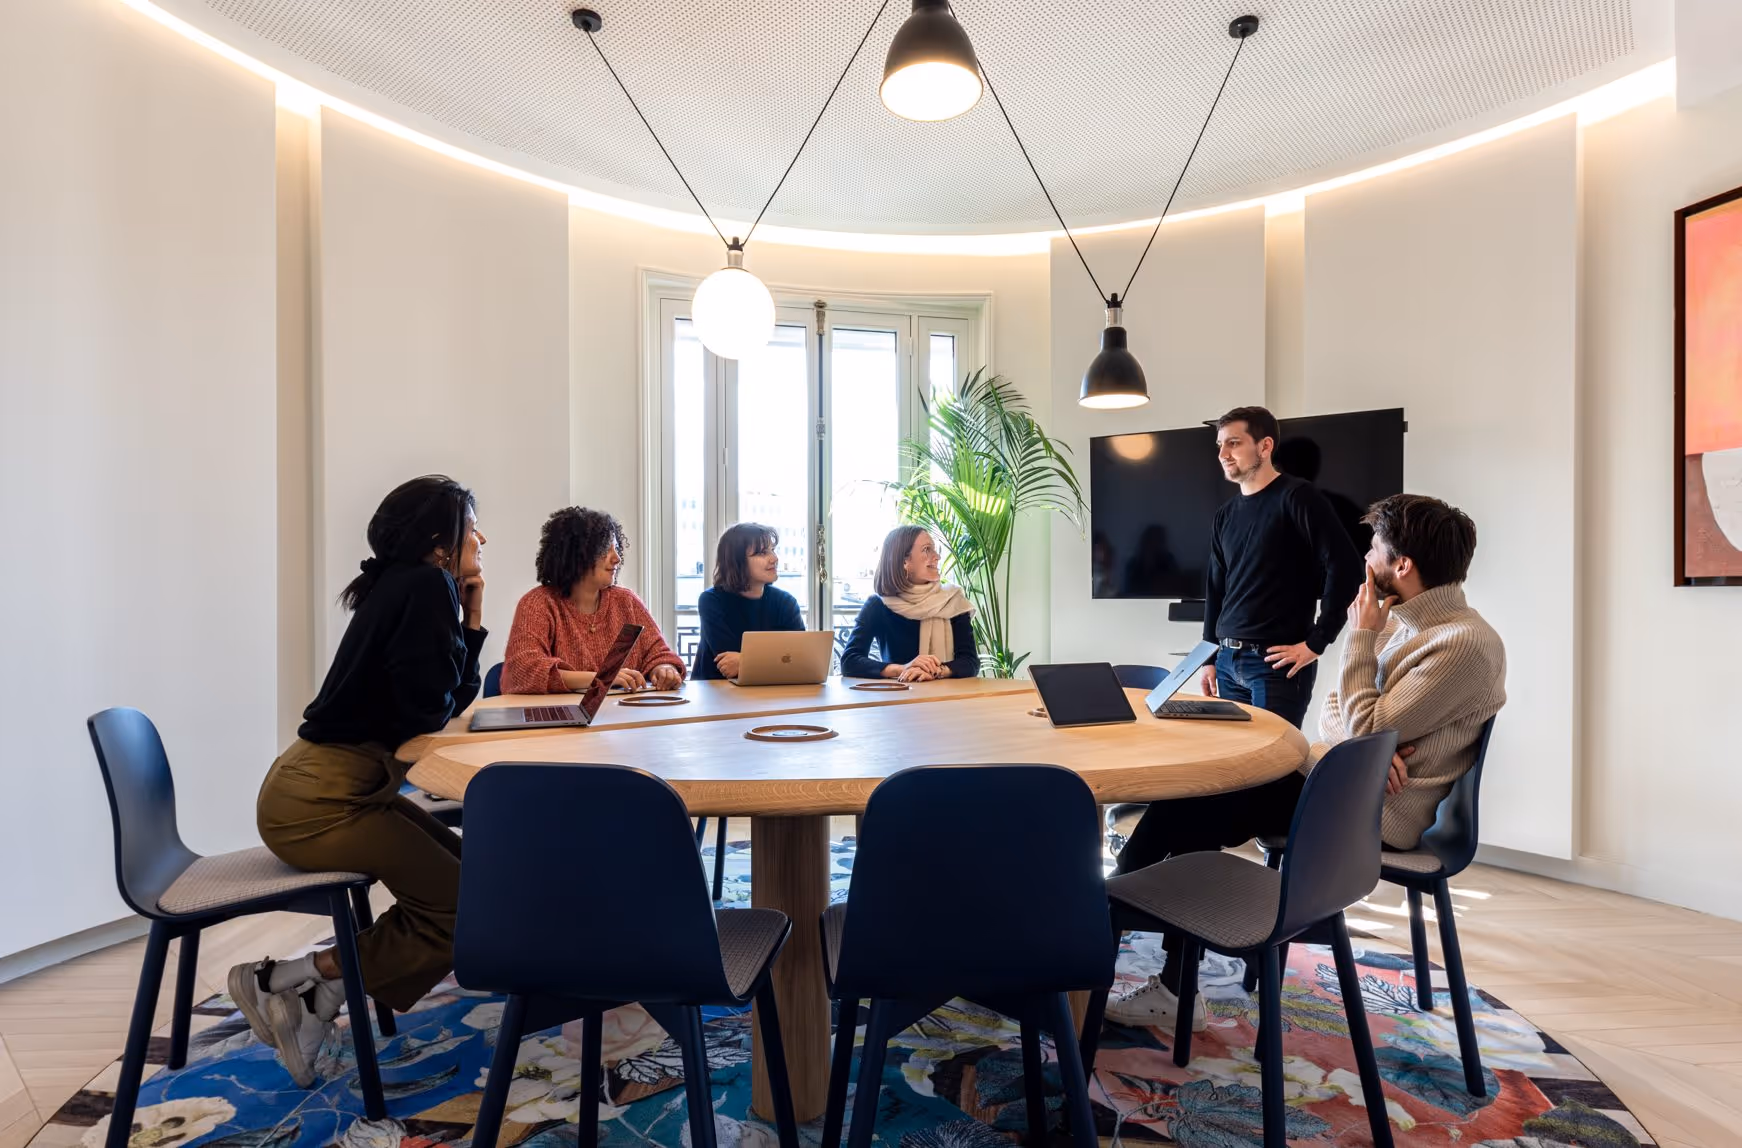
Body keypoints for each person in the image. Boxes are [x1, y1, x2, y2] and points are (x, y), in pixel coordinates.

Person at [1107, 493, 1506, 1029]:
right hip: (1340, 785)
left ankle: (1104, 923)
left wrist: (1362, 671)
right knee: (1196, 803)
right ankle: (1145, 951)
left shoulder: (1463, 644)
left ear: (1402, 565)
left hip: (1373, 813)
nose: (1366, 557)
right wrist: (1365, 746)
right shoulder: (1399, 624)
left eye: (1374, 548)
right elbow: (1337, 717)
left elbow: (1361, 725)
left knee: (1193, 806)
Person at [228, 476, 487, 1087]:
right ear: (440, 543)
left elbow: (439, 703)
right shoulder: (423, 586)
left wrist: (470, 619)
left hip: (332, 787)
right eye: (472, 527)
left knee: (477, 882)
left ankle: (315, 997)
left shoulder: (410, 585)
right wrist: (463, 621)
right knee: (466, 904)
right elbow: (432, 711)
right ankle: (286, 978)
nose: (482, 538)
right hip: (321, 802)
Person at [1198, 405, 1364, 728]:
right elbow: (1216, 589)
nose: (1222, 454)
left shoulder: (1299, 498)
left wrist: (1318, 642)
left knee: (1276, 759)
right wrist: (1209, 656)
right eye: (1220, 445)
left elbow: (1346, 568)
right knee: (1237, 759)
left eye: (1233, 443)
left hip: (1275, 665)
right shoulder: (1225, 515)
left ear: (1265, 446)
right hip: (1227, 661)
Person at [502, 507, 684, 693]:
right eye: (606, 549)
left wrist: (664, 668)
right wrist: (601, 678)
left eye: (616, 548)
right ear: (577, 554)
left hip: (622, 710)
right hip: (562, 711)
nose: (617, 558)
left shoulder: (626, 602)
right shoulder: (538, 604)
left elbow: (659, 653)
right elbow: (521, 671)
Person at [841, 526, 978, 681]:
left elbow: (970, 662)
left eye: (934, 549)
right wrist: (903, 669)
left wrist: (935, 671)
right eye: (927, 549)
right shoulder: (878, 605)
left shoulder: (952, 600)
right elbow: (849, 661)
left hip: (949, 695)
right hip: (898, 694)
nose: (937, 556)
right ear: (904, 561)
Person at [693, 522, 804, 681]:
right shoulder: (711, 600)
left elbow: (799, 659)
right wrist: (778, 660)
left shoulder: (786, 602)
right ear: (737, 561)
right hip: (715, 689)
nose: (774, 558)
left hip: (770, 688)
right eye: (762, 553)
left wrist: (745, 660)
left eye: (773, 550)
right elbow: (728, 664)